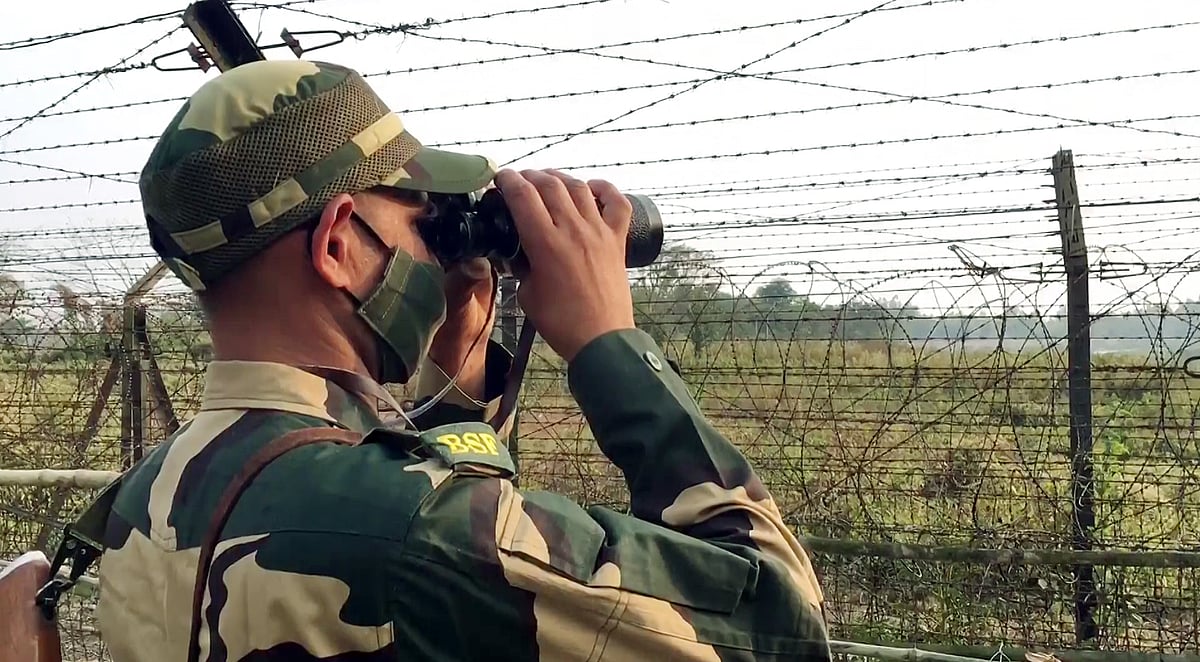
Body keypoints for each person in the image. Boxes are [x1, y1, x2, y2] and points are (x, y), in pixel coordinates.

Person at [89, 59, 832, 661]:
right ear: (340, 245)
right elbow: (781, 628)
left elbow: (415, 566)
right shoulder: (429, 531)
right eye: (421, 219)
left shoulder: (139, 500)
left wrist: (457, 364)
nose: (434, 249)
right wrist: (608, 343)